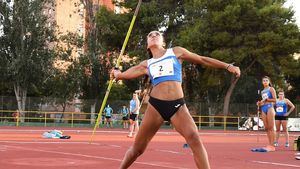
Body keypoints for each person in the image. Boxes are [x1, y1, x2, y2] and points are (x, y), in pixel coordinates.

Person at [112, 30, 240, 169]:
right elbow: (123, 75)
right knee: (137, 149)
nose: (154, 36)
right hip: (156, 106)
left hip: (177, 105)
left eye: (157, 34)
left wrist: (228, 66)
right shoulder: (146, 64)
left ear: (163, 42)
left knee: (194, 138)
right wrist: (117, 74)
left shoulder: (175, 52)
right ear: (147, 45)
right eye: (150, 35)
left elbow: (202, 59)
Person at [256, 76, 277, 152]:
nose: (265, 81)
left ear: (269, 81)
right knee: (267, 128)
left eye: (266, 80)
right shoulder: (262, 91)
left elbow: (275, 100)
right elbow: (263, 102)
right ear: (262, 82)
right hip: (263, 108)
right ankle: (269, 144)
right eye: (263, 80)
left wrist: (267, 99)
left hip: (269, 107)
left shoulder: (271, 89)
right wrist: (259, 103)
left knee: (271, 127)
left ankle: (272, 145)